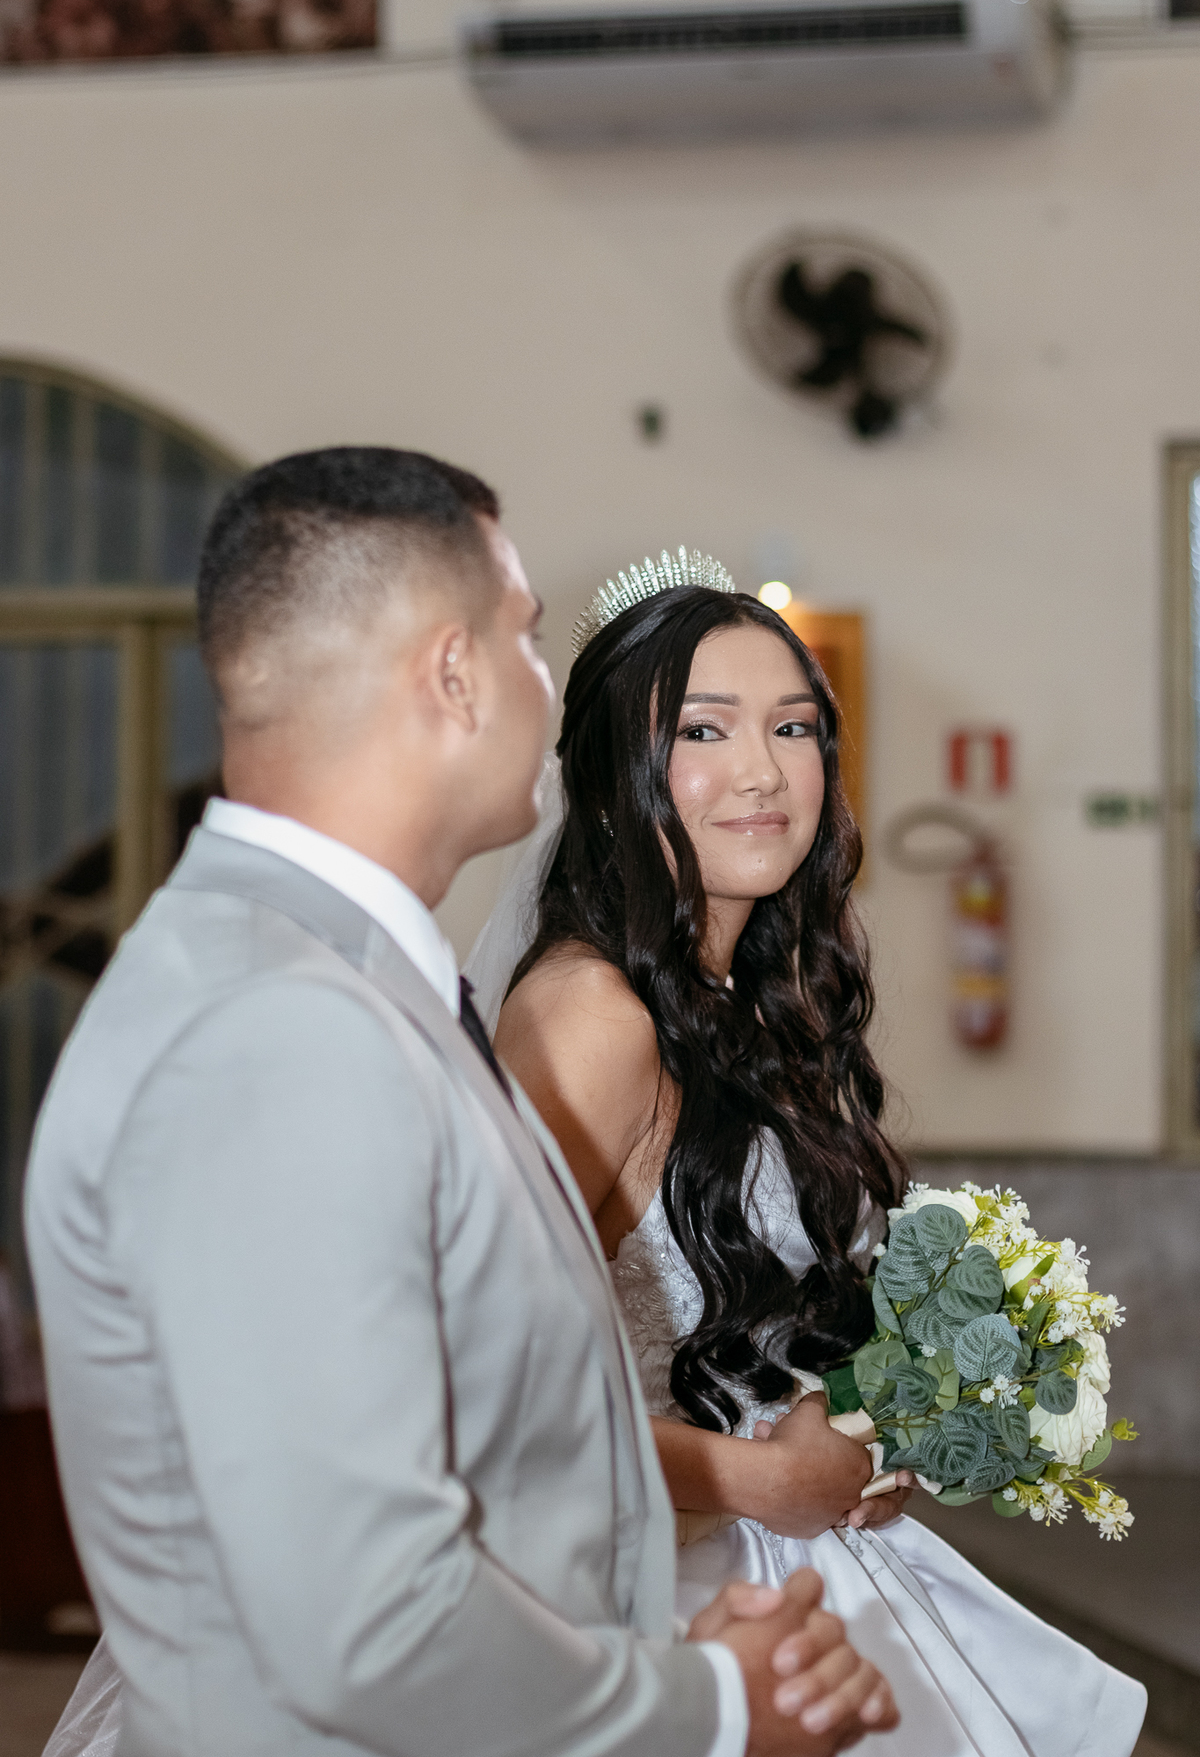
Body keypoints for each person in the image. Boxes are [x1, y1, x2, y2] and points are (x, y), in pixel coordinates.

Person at [26, 451, 898, 1757]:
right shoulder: (281, 1032)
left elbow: (512, 1422)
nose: (550, 692)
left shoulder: (325, 977)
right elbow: (357, 1613)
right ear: (455, 673)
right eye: (528, 640)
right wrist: (716, 1707)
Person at [471, 556, 1148, 1757]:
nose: (762, 771)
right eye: (703, 730)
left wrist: (880, 1412)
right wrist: (762, 1480)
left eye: (792, 727)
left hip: (783, 1559)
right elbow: (475, 1385)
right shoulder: (593, 1019)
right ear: (614, 778)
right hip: (634, 1596)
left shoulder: (750, 1002)